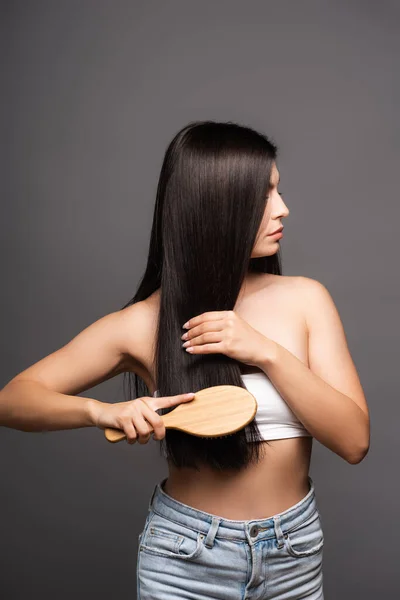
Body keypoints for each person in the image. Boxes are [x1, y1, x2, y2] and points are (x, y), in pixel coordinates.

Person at [0, 120, 370, 600]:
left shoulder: (305, 301)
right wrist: (102, 412)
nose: (283, 209)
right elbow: (12, 400)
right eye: (264, 195)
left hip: (293, 556)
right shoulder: (142, 323)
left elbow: (354, 441)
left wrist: (265, 352)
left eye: (279, 189)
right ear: (218, 207)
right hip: (185, 560)